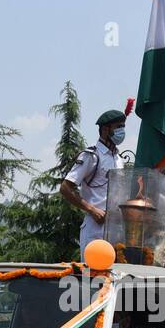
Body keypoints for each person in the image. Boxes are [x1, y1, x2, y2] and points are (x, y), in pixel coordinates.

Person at [61, 107, 125, 257]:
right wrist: (92, 209)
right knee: (93, 278)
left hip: (117, 228)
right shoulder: (91, 156)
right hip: (96, 227)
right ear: (105, 129)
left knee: (115, 277)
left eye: (123, 127)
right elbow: (65, 188)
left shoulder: (118, 159)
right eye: (118, 127)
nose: (122, 131)